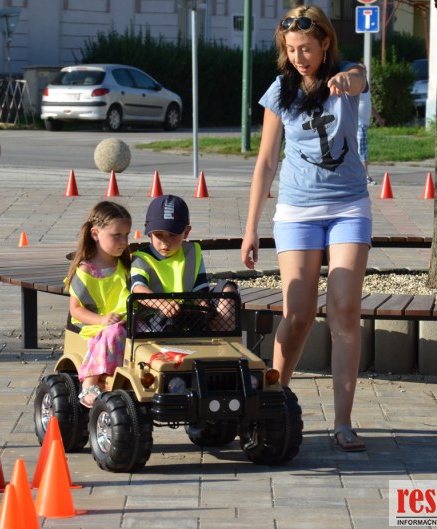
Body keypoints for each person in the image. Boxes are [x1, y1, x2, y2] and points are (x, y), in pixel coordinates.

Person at [240, 5, 371, 452]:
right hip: (297, 211)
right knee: (297, 314)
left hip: (349, 207)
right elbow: (266, 161)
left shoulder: (348, 76)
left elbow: (359, 78)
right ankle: (272, 404)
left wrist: (346, 81)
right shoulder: (281, 90)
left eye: (307, 49)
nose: (299, 58)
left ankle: (343, 422)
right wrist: (251, 227)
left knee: (344, 310)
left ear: (325, 43)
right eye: (292, 49)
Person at [131, 194, 236, 328]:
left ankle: (221, 337)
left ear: (186, 232)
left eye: (172, 234)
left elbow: (200, 289)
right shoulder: (141, 258)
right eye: (159, 235)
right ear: (149, 231)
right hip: (156, 316)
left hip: (190, 312)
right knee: (170, 324)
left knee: (228, 290)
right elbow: (138, 288)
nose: (165, 241)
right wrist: (162, 303)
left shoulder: (192, 252)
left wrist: (203, 305)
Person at [66, 201, 132, 408]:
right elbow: (75, 309)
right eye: (117, 235)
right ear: (95, 234)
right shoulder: (86, 270)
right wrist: (102, 320)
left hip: (125, 319)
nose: (124, 241)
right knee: (114, 332)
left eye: (126, 235)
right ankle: (90, 382)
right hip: (97, 325)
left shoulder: (125, 264)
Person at [358, 87, 384, 185]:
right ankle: (365, 176)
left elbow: (368, 105)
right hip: (358, 124)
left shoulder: (365, 88)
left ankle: (361, 176)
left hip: (363, 124)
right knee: (362, 150)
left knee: (361, 150)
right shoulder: (355, 85)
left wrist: (378, 117)